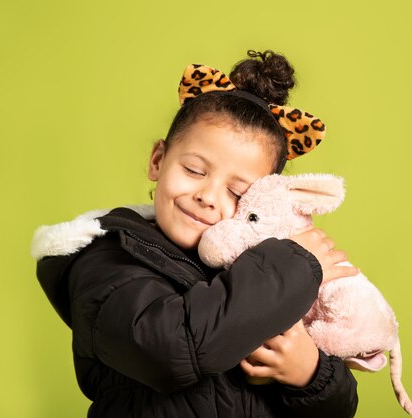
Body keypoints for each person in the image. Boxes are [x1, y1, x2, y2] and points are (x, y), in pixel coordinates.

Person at [32, 50, 359, 418]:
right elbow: (169, 350)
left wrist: (310, 373)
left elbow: (341, 407)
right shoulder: (106, 257)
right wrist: (293, 265)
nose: (207, 196)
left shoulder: (256, 271)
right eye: (193, 169)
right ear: (158, 160)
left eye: (237, 192)